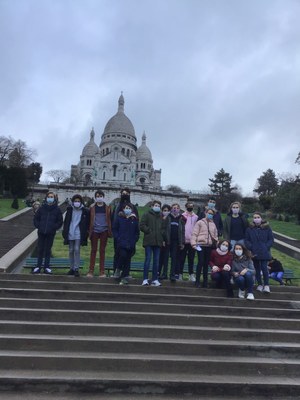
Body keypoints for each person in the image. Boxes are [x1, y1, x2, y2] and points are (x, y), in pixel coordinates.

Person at [33, 191, 63, 274]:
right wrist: (39, 226)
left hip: (51, 232)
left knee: (48, 250)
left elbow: (60, 221)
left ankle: (46, 267)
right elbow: (36, 219)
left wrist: (54, 227)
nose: (50, 198)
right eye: (49, 197)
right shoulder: (42, 208)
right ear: (46, 198)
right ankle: (38, 267)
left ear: (54, 198)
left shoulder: (57, 209)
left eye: (52, 197)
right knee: (40, 249)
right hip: (41, 232)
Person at [112, 188, 139, 278]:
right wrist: (117, 237)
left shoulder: (133, 207)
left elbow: (136, 223)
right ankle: (116, 271)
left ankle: (126, 273)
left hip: (130, 237)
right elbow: (113, 220)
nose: (125, 195)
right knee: (118, 254)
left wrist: (135, 239)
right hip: (120, 237)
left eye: (126, 193)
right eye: (123, 193)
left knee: (128, 255)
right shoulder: (117, 206)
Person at [245, 212, 274, 293]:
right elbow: (247, 240)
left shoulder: (267, 228)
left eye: (258, 217)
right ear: (253, 219)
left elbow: (271, 239)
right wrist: (251, 247)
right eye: (254, 217)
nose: (256, 219)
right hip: (254, 252)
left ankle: (267, 285)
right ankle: (260, 284)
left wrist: (266, 246)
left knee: (264, 268)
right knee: (257, 269)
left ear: (261, 218)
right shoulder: (249, 229)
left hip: (264, 252)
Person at [62, 194, 90, 277]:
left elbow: (86, 223)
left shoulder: (85, 211)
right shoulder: (69, 210)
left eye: (78, 201)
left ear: (81, 202)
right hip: (70, 231)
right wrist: (65, 231)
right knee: (71, 250)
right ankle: (72, 268)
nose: (77, 203)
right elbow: (66, 221)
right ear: (73, 202)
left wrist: (86, 233)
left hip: (78, 232)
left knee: (77, 249)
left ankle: (76, 268)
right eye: (75, 201)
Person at [87, 190, 112, 278]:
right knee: (93, 250)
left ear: (103, 197)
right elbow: (89, 219)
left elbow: (110, 219)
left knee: (102, 251)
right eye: (97, 196)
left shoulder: (108, 207)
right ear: (95, 197)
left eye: (101, 196)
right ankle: (91, 270)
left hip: (104, 230)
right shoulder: (92, 207)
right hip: (94, 231)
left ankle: (102, 271)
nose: (99, 198)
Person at [191, 208, 218, 288]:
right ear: (205, 213)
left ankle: (205, 281)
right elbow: (194, 233)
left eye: (212, 214)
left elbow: (215, 235)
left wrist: (216, 242)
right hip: (200, 245)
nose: (210, 215)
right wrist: (193, 244)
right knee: (201, 262)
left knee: (206, 263)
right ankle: (197, 281)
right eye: (209, 213)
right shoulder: (200, 222)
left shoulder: (213, 224)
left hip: (209, 246)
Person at [140, 200, 164, 286]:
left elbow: (163, 227)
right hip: (149, 241)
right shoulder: (146, 214)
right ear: (152, 206)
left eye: (158, 205)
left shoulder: (161, 216)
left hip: (158, 241)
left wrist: (161, 235)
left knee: (156, 261)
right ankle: (145, 279)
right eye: (156, 205)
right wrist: (149, 231)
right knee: (148, 260)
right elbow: (142, 225)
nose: (157, 207)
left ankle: (155, 279)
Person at [163, 203, 185, 282]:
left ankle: (172, 274)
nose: (175, 209)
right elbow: (164, 228)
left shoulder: (181, 218)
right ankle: (164, 273)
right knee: (165, 258)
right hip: (167, 240)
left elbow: (183, 231)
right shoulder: (167, 217)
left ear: (179, 209)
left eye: (177, 208)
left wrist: (182, 242)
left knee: (174, 258)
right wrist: (163, 239)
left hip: (176, 241)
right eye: (174, 208)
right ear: (171, 209)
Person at [180, 201, 198, 281]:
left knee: (191, 258)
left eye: (191, 206)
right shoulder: (182, 216)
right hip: (184, 240)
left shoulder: (196, 217)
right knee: (182, 258)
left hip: (192, 241)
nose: (190, 207)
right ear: (186, 206)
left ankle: (191, 274)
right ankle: (180, 274)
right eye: (189, 206)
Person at [158, 204, 171, 280]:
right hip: (160, 241)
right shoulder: (160, 218)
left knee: (166, 258)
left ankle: (165, 273)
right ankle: (158, 272)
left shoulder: (170, 219)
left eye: (167, 210)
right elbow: (160, 229)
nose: (166, 212)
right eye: (164, 210)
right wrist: (162, 239)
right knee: (160, 258)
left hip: (168, 241)